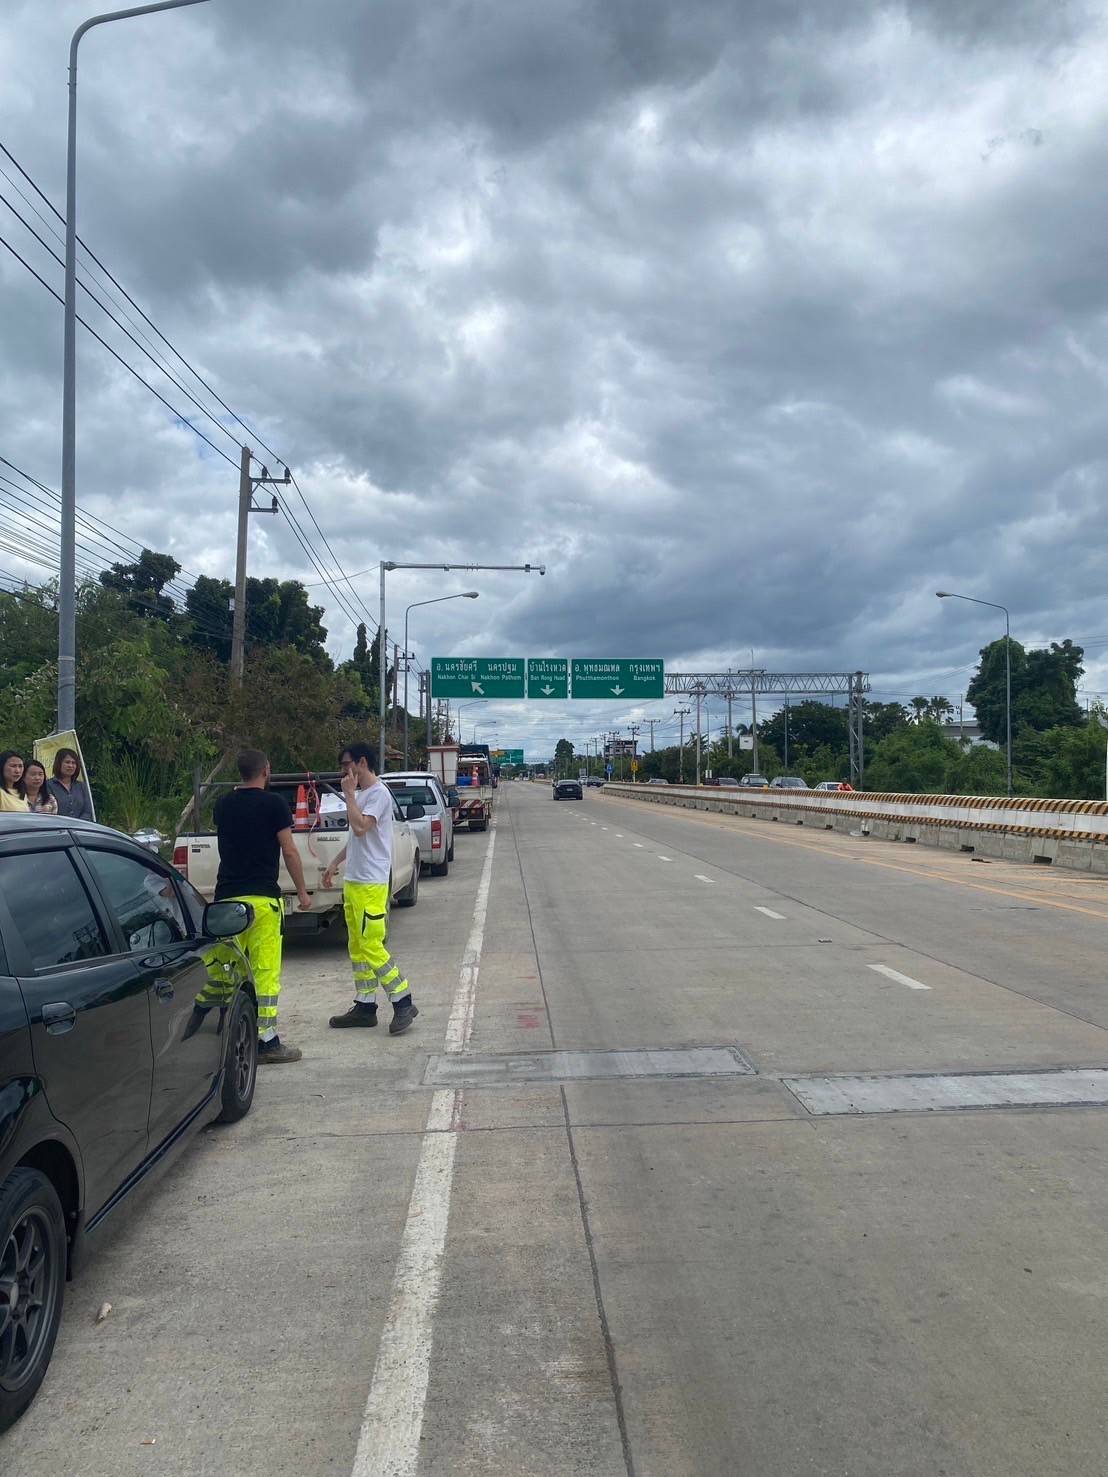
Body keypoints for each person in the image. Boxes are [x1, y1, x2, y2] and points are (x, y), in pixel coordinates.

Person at [213, 749, 313, 1065]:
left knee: (228, 972)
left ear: (240, 772)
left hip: (227, 901)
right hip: (262, 901)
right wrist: (302, 892)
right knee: (265, 973)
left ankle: (224, 1040)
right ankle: (266, 1041)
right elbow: (289, 851)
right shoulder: (274, 804)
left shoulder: (223, 804)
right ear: (266, 770)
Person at [321, 741, 418, 1035]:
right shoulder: (362, 795)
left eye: (346, 765)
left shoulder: (378, 794)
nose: (344, 771)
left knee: (371, 945)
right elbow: (355, 838)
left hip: (371, 884)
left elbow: (362, 827)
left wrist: (350, 795)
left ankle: (403, 1001)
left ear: (362, 762)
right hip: (354, 881)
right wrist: (334, 863)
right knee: (357, 947)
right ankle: (365, 1006)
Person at [46, 747, 94, 820]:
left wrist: (77, 824)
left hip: (81, 825)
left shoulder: (81, 786)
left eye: (73, 763)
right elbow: (48, 812)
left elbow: (88, 811)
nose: (70, 766)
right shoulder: (48, 785)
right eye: (67, 762)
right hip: (57, 825)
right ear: (59, 763)